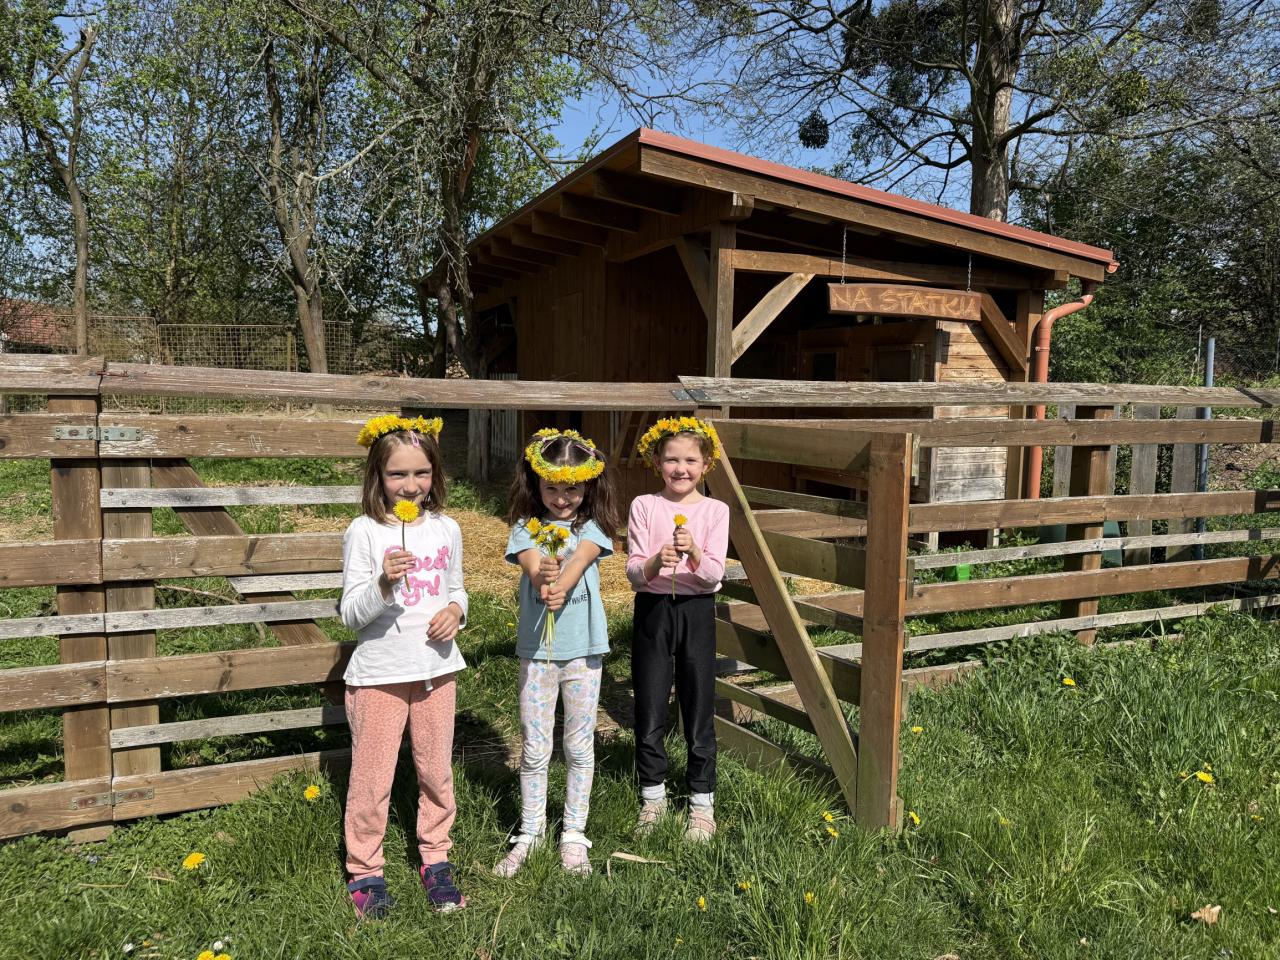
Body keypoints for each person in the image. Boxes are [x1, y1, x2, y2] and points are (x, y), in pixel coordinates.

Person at [339, 414, 467, 918]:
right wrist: (383, 584)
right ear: (378, 475)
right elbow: (351, 614)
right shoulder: (365, 531)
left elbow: (456, 589)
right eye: (397, 474)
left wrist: (456, 612)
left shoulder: (447, 529)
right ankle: (365, 869)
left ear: (435, 474)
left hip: (436, 670)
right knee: (372, 780)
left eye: (421, 473)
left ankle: (436, 858)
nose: (410, 485)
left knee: (436, 771)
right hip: (379, 676)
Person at [494, 428, 620, 877]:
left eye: (572, 489)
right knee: (534, 744)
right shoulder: (525, 529)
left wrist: (559, 583)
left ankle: (573, 833)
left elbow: (581, 560)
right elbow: (531, 566)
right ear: (536, 483)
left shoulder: (592, 529)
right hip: (538, 653)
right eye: (552, 488)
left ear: (588, 485)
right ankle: (530, 831)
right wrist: (542, 576)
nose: (562, 498)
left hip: (583, 652)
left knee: (579, 744)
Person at [626, 416, 729, 841]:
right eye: (671, 460)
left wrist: (695, 554)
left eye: (690, 460)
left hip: (697, 611)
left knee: (698, 701)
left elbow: (715, 576)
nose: (680, 469)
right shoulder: (644, 506)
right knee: (650, 702)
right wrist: (656, 561)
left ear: (706, 465)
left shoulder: (715, 511)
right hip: (653, 609)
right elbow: (634, 573)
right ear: (656, 461)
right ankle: (653, 796)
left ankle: (701, 801)